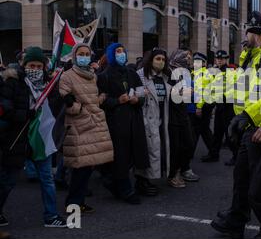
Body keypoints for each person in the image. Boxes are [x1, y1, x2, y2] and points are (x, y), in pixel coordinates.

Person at [211, 12, 261, 239]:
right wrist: (238, 117)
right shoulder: (254, 55)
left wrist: (259, 121)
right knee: (243, 178)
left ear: (260, 34)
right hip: (249, 125)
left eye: (249, 30)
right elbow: (246, 90)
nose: (245, 34)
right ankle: (237, 220)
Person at [0, 46, 67, 228]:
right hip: (17, 139)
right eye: (32, 65)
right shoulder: (12, 82)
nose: (35, 69)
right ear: (24, 64)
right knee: (8, 181)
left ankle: (51, 216)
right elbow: (5, 108)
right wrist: (24, 114)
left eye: (39, 66)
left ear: (44, 67)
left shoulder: (48, 85)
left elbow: (54, 107)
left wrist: (64, 100)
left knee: (47, 178)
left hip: (40, 139)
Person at [59, 43, 114, 213]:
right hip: (79, 126)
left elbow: (93, 98)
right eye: (81, 54)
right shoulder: (67, 76)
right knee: (80, 168)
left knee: (88, 166)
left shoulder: (92, 75)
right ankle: (73, 204)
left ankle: (78, 202)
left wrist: (100, 98)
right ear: (75, 56)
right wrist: (80, 109)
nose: (84, 56)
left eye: (87, 53)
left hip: (94, 123)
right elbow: (65, 101)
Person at [97, 43, 149, 205]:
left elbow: (141, 94)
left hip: (134, 118)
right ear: (111, 55)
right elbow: (101, 101)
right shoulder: (104, 76)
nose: (121, 54)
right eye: (117, 52)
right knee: (121, 156)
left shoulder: (131, 73)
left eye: (123, 51)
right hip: (116, 122)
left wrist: (137, 99)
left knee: (133, 154)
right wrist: (117, 101)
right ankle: (126, 189)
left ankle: (114, 182)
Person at [134, 48, 172, 196]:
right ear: (150, 60)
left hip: (160, 119)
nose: (161, 62)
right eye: (158, 59)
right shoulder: (140, 75)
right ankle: (141, 181)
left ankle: (148, 179)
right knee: (147, 151)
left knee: (156, 150)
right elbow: (137, 97)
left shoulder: (164, 77)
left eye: (163, 60)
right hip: (146, 120)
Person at [201, 50, 238, 165]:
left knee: (229, 133)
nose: (219, 60)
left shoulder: (231, 71)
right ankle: (213, 154)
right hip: (218, 106)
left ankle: (236, 157)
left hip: (228, 106)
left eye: (221, 59)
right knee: (217, 132)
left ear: (226, 59)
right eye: (218, 59)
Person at [167, 48, 196, 188]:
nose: (189, 59)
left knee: (189, 144)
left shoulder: (186, 72)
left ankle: (184, 168)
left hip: (184, 112)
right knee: (176, 147)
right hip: (172, 115)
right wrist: (181, 92)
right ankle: (174, 173)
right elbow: (169, 94)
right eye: (186, 57)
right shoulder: (169, 72)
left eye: (189, 57)